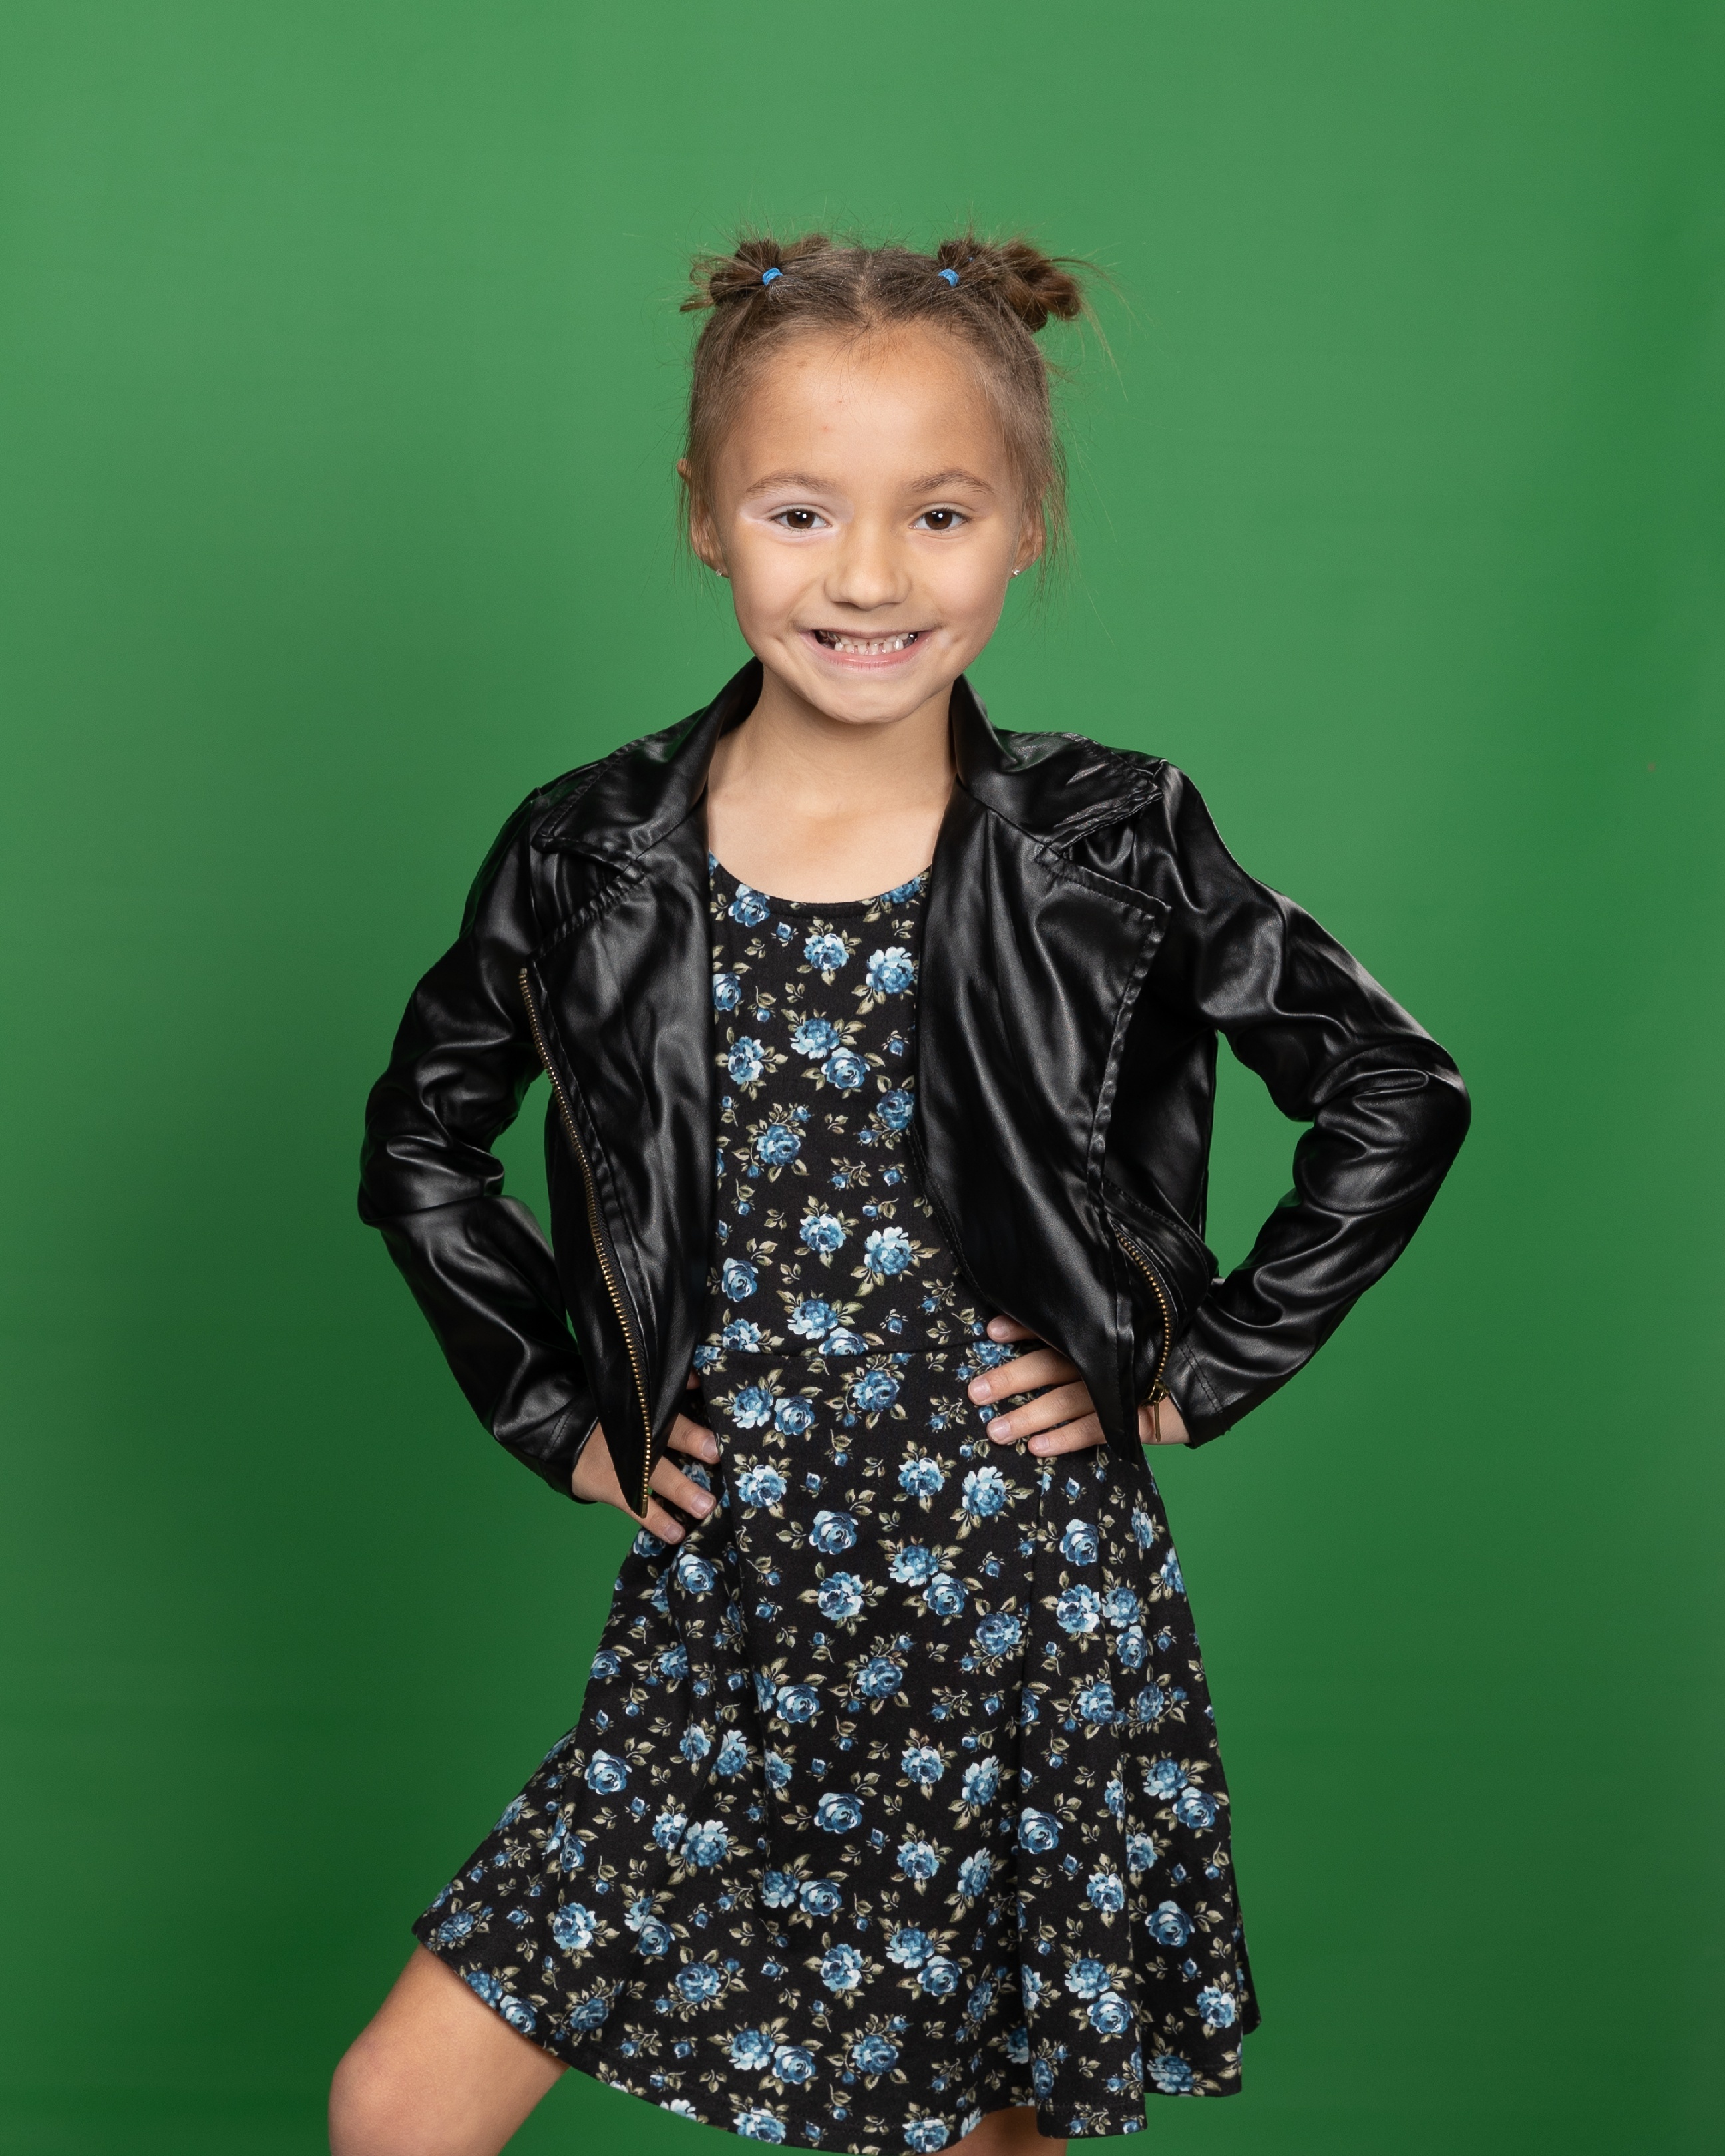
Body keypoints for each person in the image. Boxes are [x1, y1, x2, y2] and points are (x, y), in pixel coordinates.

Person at [330, 232, 1469, 2156]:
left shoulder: (1109, 838)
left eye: (939, 514)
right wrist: (559, 1417)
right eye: (801, 512)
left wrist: (1195, 1366)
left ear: (1025, 525)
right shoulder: (591, 850)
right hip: (727, 1598)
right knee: (400, 2104)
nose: (869, 578)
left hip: (1020, 1596)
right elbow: (424, 1139)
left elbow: (1391, 1087)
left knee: (975, 2134)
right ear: (706, 516)